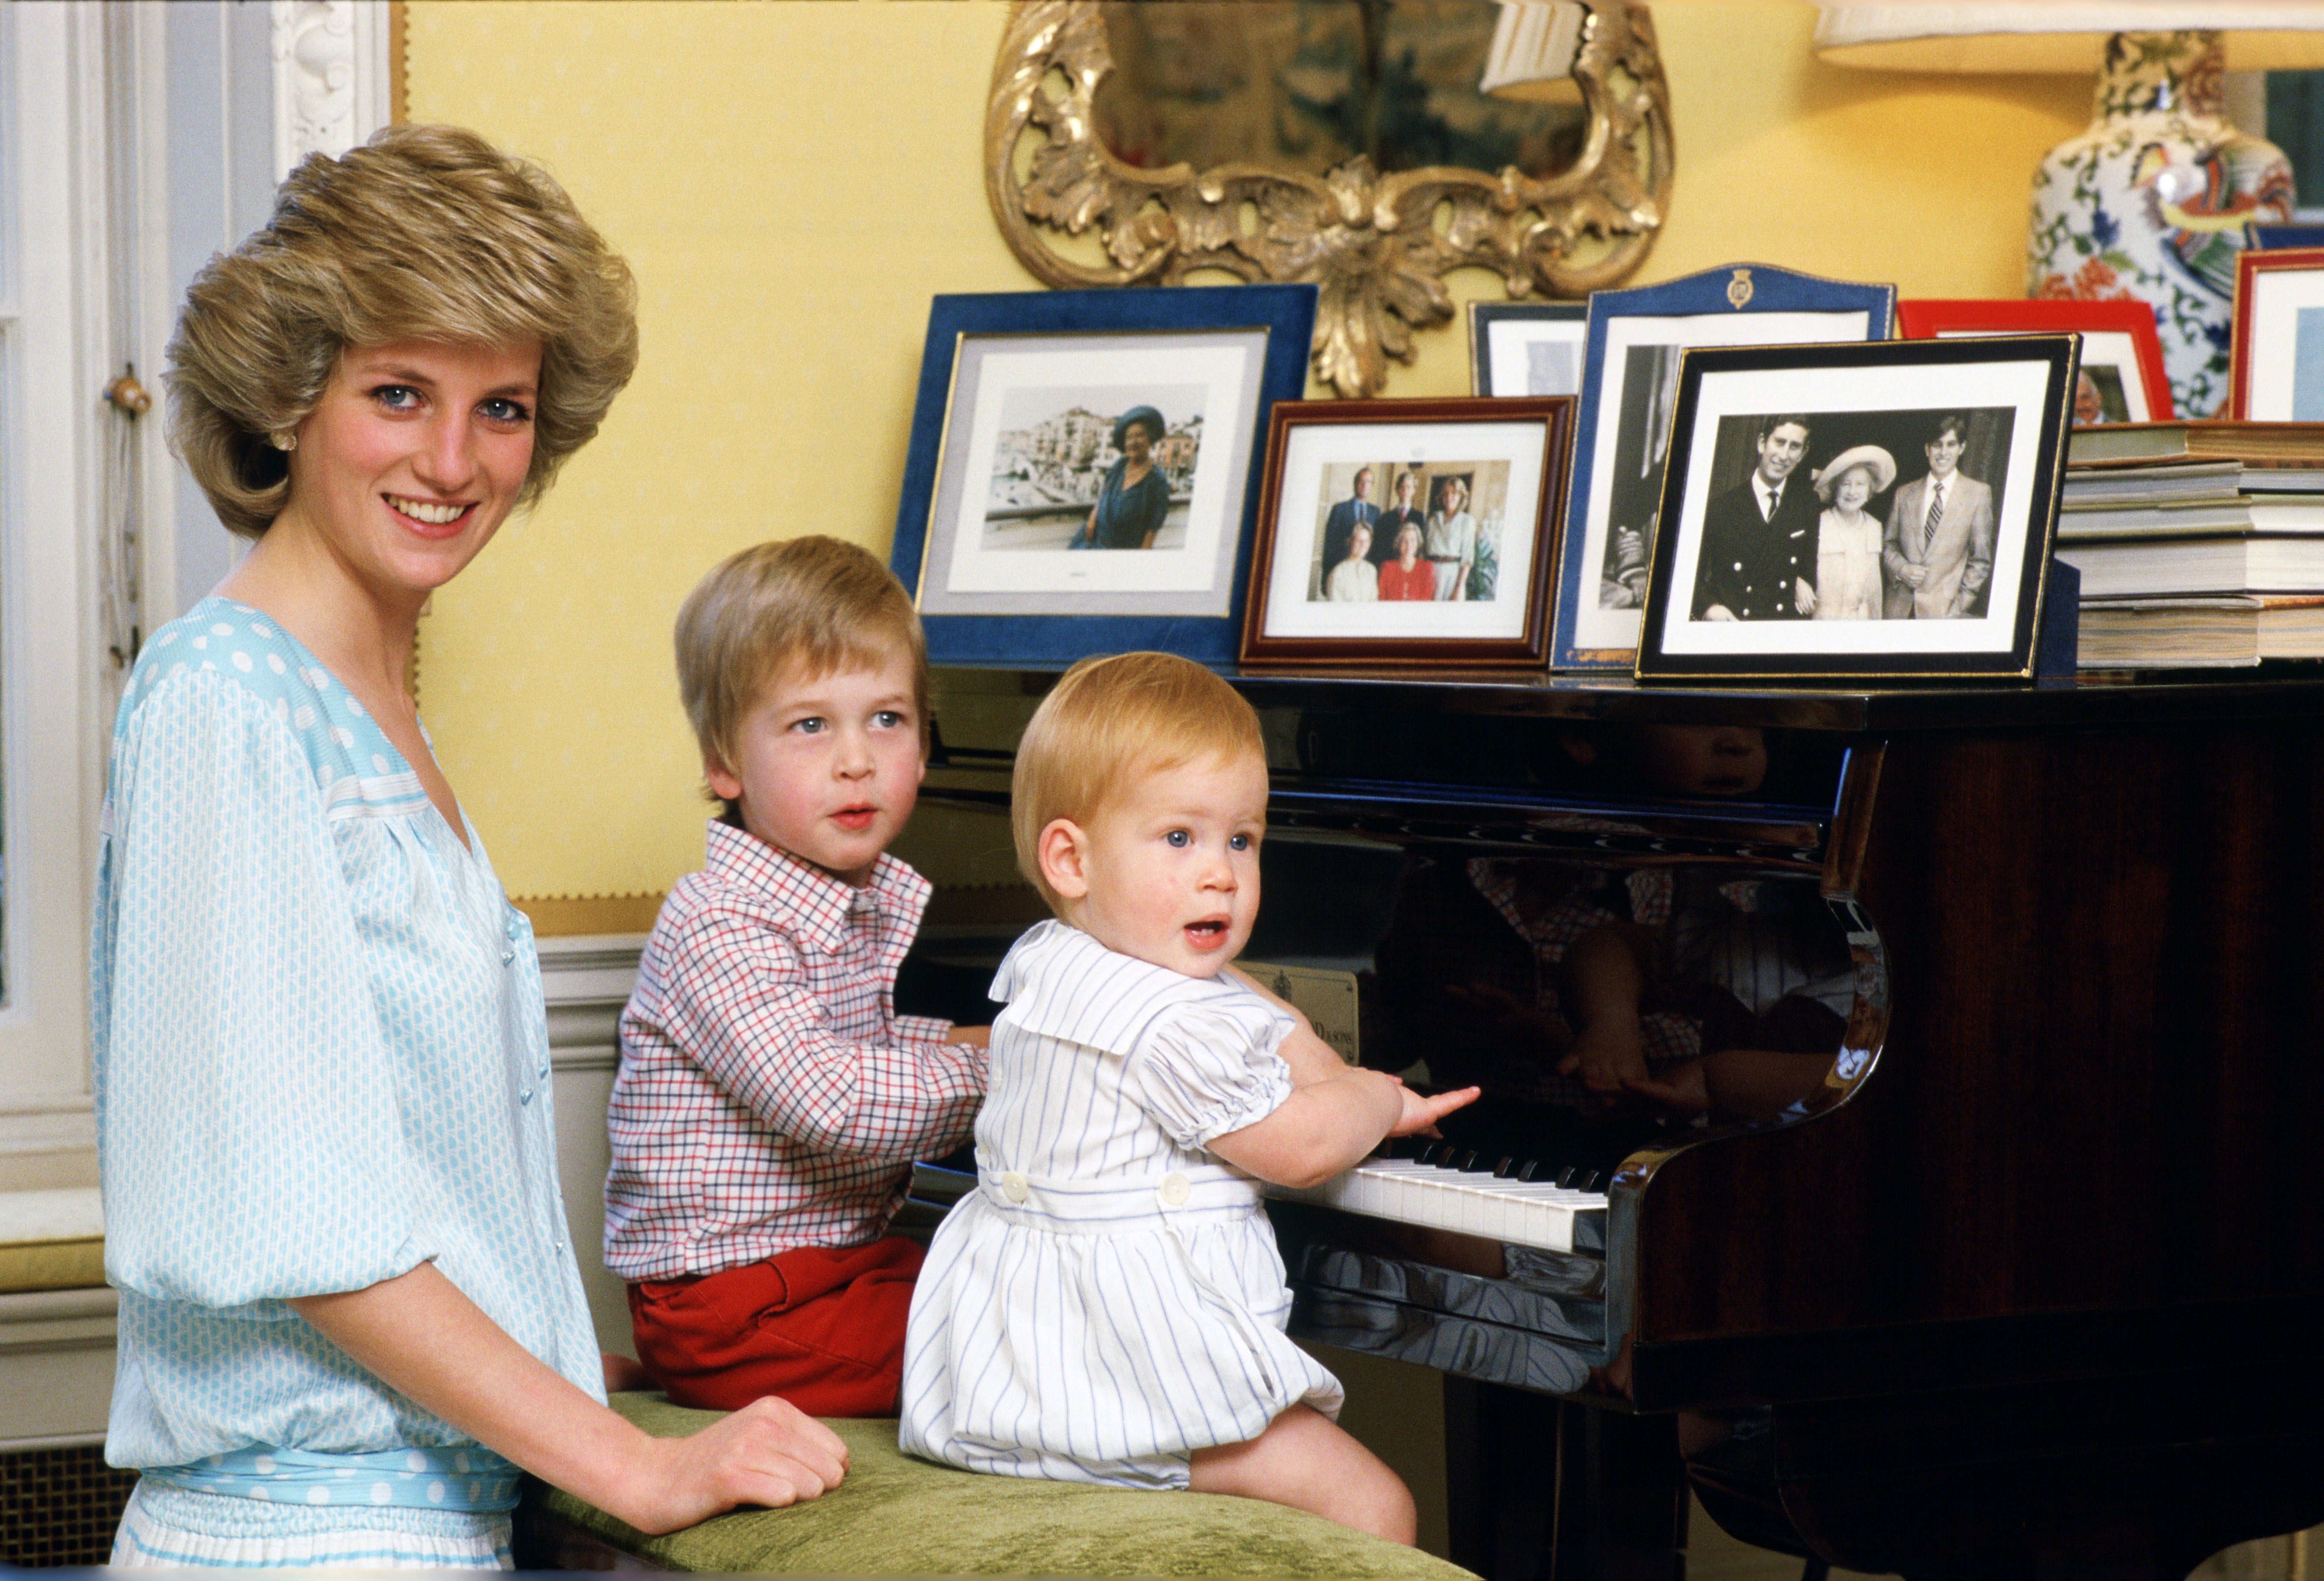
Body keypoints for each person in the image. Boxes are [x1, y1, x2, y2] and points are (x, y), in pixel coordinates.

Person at [95, 125, 847, 1570]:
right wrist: (632, 1466)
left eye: (501, 408)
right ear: (287, 401)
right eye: (398, 393)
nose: (453, 461)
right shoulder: (223, 698)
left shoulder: (371, 714)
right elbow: (296, 1219)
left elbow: (414, 1175)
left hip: (424, 1528)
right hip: (300, 1544)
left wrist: (571, 1378)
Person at [898, 653, 1477, 1541]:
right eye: (1180, 838)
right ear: (1071, 857)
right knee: (1374, 1506)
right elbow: (1299, 1150)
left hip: (1021, 1363)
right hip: (1126, 1378)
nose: (1220, 874)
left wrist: (1318, 1062)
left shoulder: (1059, 957)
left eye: (1241, 840)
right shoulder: (1166, 1026)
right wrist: (1370, 1097)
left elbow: (1249, 1003)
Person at [605, 537, 991, 1420]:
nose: (857, 759)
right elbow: (834, 1099)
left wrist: (975, 1039)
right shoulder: (719, 921)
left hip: (827, 1268)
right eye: (811, 725)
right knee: (1017, 1330)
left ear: (925, 745)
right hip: (730, 1307)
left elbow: (861, 1044)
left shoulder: (838, 900)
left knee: (1021, 1270)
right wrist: (1009, 1065)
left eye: (887, 719)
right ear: (723, 763)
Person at [1693, 414, 1818, 621]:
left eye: (1794, 447)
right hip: (1733, 624)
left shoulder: (1807, 504)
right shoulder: (1721, 508)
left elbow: (1808, 569)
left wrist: (1798, 579)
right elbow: (1689, 576)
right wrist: (1709, 608)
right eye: (1779, 443)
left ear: (1802, 454)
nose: (1784, 455)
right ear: (1762, 443)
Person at [1882, 414, 1994, 620]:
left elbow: (1981, 561)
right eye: (1937, 445)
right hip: (1898, 611)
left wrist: (1956, 610)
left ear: (1962, 448)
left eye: (1951, 445)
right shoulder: (1904, 493)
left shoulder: (1978, 495)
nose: (1943, 453)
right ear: (1927, 449)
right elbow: (1889, 544)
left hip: (1944, 613)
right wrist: (1902, 569)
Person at [1805, 444, 1894, 622]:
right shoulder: (1819, 523)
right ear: (1835, 488)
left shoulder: (1874, 527)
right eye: (1846, 484)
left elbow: (1875, 590)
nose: (1852, 492)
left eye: (1860, 484)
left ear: (1870, 490)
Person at [1070, 406, 1172, 550]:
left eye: (1140, 435)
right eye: (1129, 437)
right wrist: (1093, 518)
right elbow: (1104, 494)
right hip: (1093, 541)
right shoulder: (1119, 466)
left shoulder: (1157, 482)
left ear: (1150, 438)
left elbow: (1152, 529)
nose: (1133, 442)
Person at [1318, 466, 1379, 575]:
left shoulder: (1376, 513)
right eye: (1362, 481)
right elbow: (1330, 544)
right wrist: (1327, 574)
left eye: (1369, 482)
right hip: (1340, 569)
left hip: (1364, 572)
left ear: (1372, 486)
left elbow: (1376, 547)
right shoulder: (1339, 509)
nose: (1365, 485)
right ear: (1355, 483)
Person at [1424, 476, 1477, 600]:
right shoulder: (1433, 520)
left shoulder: (1467, 521)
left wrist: (1459, 587)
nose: (1449, 497)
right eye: (1446, 494)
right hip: (1431, 573)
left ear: (1461, 497)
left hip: (1452, 575)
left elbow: (1467, 559)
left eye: (1454, 493)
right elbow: (1425, 551)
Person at [1373, 470, 1427, 568]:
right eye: (1403, 487)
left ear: (1414, 491)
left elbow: (1420, 547)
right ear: (1398, 490)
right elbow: (1380, 547)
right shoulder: (1385, 517)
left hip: (1410, 565)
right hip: (1390, 565)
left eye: (1409, 487)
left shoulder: (1419, 517)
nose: (1405, 490)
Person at [1323, 520, 1380, 602]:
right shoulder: (1338, 572)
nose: (1363, 545)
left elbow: (1374, 602)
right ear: (1350, 541)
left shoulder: (1371, 570)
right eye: (1359, 540)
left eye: (1367, 541)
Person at [1378, 521, 1434, 600]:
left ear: (1418, 543)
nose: (1409, 544)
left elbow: (1426, 598)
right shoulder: (1388, 567)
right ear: (1398, 543)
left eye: (1413, 540)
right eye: (1405, 540)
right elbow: (1382, 598)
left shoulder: (1426, 567)